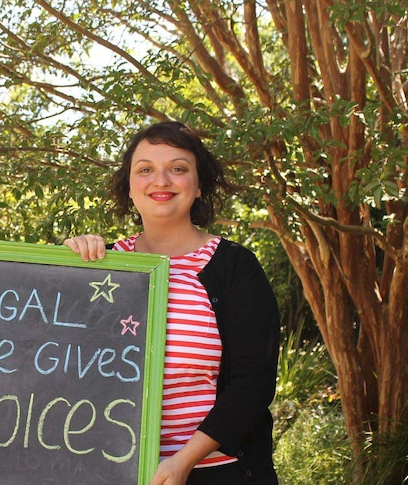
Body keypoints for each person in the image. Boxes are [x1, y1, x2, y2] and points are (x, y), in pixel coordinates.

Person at [65, 121, 280, 484]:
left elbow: (253, 383)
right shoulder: (102, 267)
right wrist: (64, 267)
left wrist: (182, 461)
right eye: (145, 169)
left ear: (198, 187)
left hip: (219, 473)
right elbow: (58, 362)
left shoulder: (234, 268)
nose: (160, 181)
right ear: (129, 188)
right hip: (114, 471)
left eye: (178, 169)